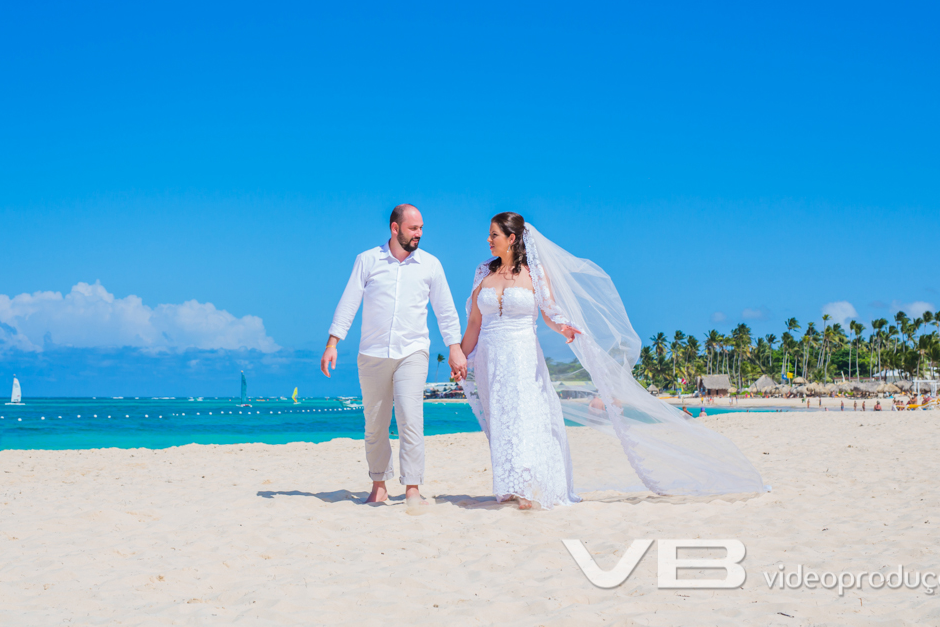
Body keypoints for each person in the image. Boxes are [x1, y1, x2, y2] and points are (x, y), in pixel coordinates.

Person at [455, 212, 766, 509]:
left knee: (526, 418)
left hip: (522, 355)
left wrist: (565, 327)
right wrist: (461, 357)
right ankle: (510, 484)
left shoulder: (533, 273)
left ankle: (529, 486)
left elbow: (548, 312)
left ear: (511, 238)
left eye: (493, 235)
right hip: (490, 358)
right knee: (502, 419)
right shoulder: (484, 272)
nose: (488, 240)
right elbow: (473, 323)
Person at [322, 204, 465, 504]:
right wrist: (333, 343)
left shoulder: (430, 265)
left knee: (410, 418)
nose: (419, 234)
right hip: (372, 353)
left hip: (413, 351)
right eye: (413, 228)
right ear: (395, 228)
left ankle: (412, 488)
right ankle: (379, 487)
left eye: (421, 228)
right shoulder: (367, 260)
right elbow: (349, 302)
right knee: (374, 423)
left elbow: (446, 310)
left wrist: (455, 347)